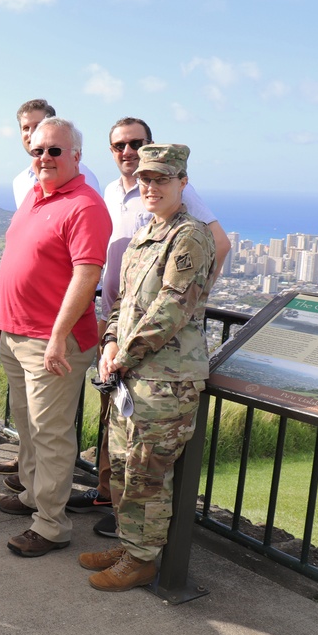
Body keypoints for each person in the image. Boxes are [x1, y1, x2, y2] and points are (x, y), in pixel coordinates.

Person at [69, 117, 232, 539]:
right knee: (123, 469)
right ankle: (127, 548)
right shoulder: (146, 235)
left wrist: (121, 356)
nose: (150, 187)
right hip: (133, 373)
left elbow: (171, 308)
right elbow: (123, 301)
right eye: (145, 179)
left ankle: (142, 558)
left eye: (161, 179)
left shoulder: (189, 236)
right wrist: (108, 344)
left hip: (165, 378)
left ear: (182, 183)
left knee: (147, 477)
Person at [0, 117, 112, 558]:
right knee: (26, 426)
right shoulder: (34, 198)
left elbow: (87, 275)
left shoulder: (85, 205)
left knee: (50, 433)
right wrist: (4, 321)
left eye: (54, 151)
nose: (43, 158)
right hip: (16, 333)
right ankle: (30, 495)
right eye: (37, 151)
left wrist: (59, 336)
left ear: (77, 156)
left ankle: (50, 524)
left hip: (52, 341)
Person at [9, 99, 101, 211]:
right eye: (25, 128)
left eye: (37, 126)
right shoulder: (20, 182)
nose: (31, 133)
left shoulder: (81, 175)